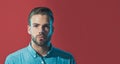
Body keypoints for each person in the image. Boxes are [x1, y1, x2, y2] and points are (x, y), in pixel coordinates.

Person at [5, 7, 76, 64]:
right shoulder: (13, 60)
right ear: (29, 29)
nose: (41, 31)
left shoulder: (68, 60)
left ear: (52, 29)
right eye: (36, 26)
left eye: (46, 26)